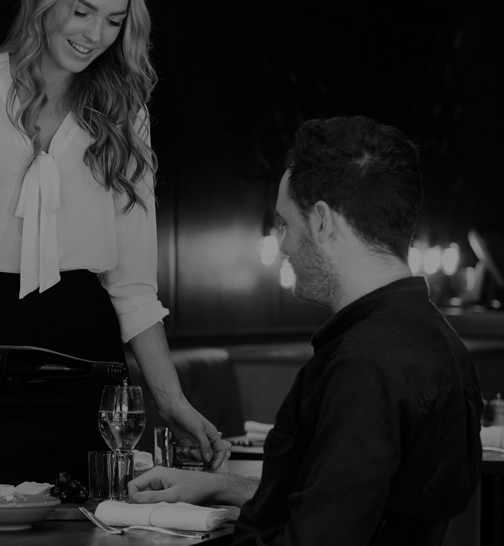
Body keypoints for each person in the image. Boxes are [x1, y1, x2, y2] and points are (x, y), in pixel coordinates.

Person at [0, 0, 228, 484]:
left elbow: (134, 287)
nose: (95, 35)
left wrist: (172, 401)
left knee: (91, 519)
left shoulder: (124, 113)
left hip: (89, 367)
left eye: (114, 21)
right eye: (82, 11)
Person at [128, 116, 484, 546]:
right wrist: (221, 486)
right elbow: (357, 501)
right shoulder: (439, 341)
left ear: (321, 222)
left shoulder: (364, 366)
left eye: (285, 223)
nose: (283, 245)